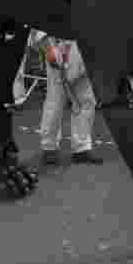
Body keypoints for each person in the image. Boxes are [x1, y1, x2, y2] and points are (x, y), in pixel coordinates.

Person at [34, 32, 102, 166]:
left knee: (87, 101)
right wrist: (49, 48)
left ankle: (81, 148)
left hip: (87, 48)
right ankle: (49, 147)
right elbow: (41, 19)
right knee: (55, 101)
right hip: (61, 47)